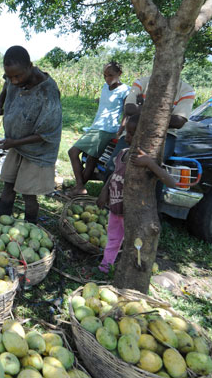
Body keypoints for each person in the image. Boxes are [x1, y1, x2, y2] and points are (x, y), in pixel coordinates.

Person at [96, 114, 178, 273]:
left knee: (134, 244)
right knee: (113, 238)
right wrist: (104, 192)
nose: (127, 137)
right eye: (127, 132)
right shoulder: (122, 154)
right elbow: (114, 175)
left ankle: (131, 268)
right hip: (116, 208)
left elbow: (171, 182)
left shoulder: (148, 160)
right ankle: (106, 266)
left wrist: (149, 163)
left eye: (132, 134)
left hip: (133, 214)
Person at [0, 45, 62, 223]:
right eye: (10, 76)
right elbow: (7, 84)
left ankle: (31, 228)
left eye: (18, 76)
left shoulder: (48, 92)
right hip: (16, 145)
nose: (14, 81)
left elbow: (47, 133)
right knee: (8, 185)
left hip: (37, 151)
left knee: (28, 195)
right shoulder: (13, 79)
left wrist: (13, 142)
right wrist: (0, 102)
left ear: (30, 66)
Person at [105, 74, 195, 174]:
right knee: (112, 167)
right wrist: (165, 114)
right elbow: (129, 109)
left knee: (152, 170)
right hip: (133, 130)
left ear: (180, 66)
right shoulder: (141, 82)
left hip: (165, 134)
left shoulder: (186, 90)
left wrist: (141, 107)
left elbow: (178, 121)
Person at [67, 61, 129, 196]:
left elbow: (126, 112)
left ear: (119, 74)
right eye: (105, 75)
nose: (107, 79)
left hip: (106, 129)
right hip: (96, 126)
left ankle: (79, 186)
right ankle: (79, 187)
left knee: (73, 152)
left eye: (110, 75)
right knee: (91, 159)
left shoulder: (125, 90)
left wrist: (121, 129)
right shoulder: (104, 87)